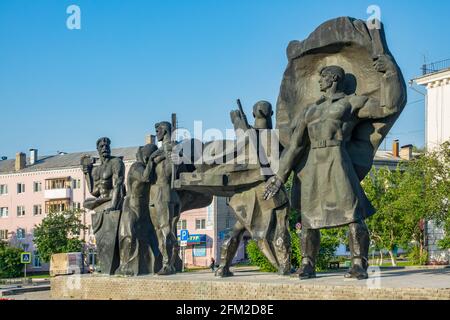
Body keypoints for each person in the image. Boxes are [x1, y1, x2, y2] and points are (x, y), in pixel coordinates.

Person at [264, 55, 405, 280]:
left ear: (333, 79)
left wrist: (390, 72)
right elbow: (296, 146)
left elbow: (389, 106)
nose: (319, 82)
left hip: (337, 159)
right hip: (313, 166)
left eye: (323, 78)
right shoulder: (310, 111)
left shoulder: (351, 102)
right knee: (309, 220)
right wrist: (280, 177)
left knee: (352, 214)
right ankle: (307, 264)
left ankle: (359, 263)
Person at [215, 101, 291, 278]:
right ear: (270, 114)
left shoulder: (244, 135)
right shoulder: (274, 137)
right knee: (281, 227)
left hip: (245, 194)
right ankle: (285, 266)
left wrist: (236, 121)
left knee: (237, 229)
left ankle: (222, 267)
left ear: (253, 113)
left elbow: (239, 130)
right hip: (269, 190)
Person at [81, 137, 126, 275]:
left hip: (114, 200)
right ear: (98, 150)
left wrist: (113, 206)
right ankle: (106, 265)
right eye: (101, 146)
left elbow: (118, 184)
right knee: (86, 202)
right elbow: (94, 191)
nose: (104, 148)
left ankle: (112, 266)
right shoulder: (96, 170)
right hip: (102, 201)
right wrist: (87, 172)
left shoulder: (116, 162)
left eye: (106, 145)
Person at [116, 144, 160, 276]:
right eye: (149, 156)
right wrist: (153, 161)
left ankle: (156, 264)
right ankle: (124, 266)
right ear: (146, 156)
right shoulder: (137, 166)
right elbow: (145, 178)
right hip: (131, 206)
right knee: (129, 236)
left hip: (144, 209)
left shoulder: (149, 168)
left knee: (152, 237)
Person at [149, 121, 181, 275]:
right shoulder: (162, 150)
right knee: (160, 230)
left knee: (165, 229)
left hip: (164, 193)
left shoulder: (171, 147)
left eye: (158, 130)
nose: (156, 133)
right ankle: (170, 262)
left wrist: (158, 157)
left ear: (166, 130)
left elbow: (172, 170)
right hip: (158, 195)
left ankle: (168, 264)